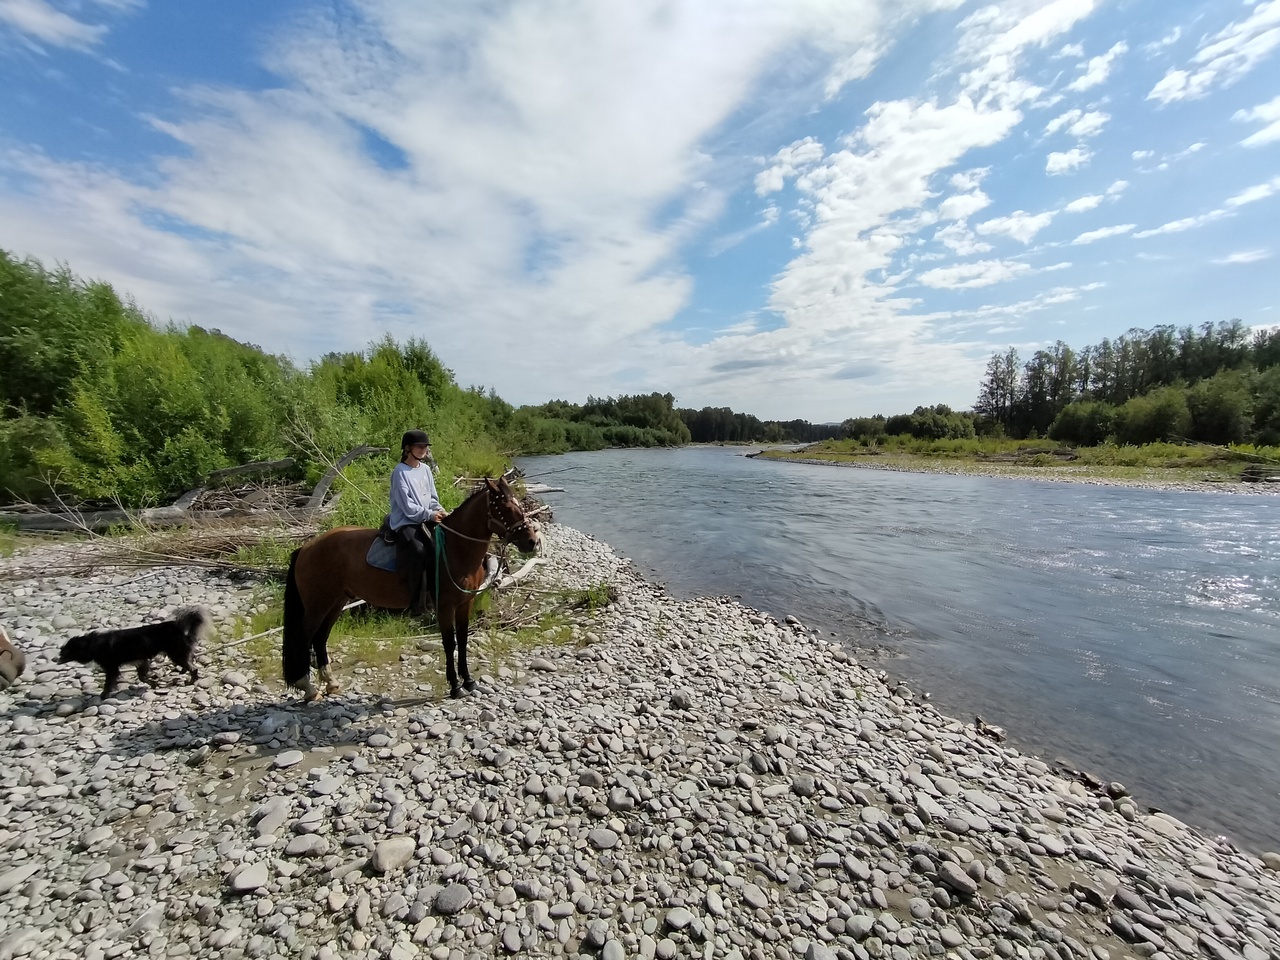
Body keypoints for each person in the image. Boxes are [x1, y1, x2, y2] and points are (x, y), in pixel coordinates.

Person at [390, 429, 446, 615]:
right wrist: (429, 515)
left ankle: (437, 598)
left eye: (425, 447)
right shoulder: (400, 472)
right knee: (418, 550)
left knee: (442, 548)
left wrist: (440, 510)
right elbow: (407, 506)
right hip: (405, 521)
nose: (423, 450)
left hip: (426, 517)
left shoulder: (426, 470)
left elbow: (432, 498)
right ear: (408, 448)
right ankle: (415, 605)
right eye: (419, 446)